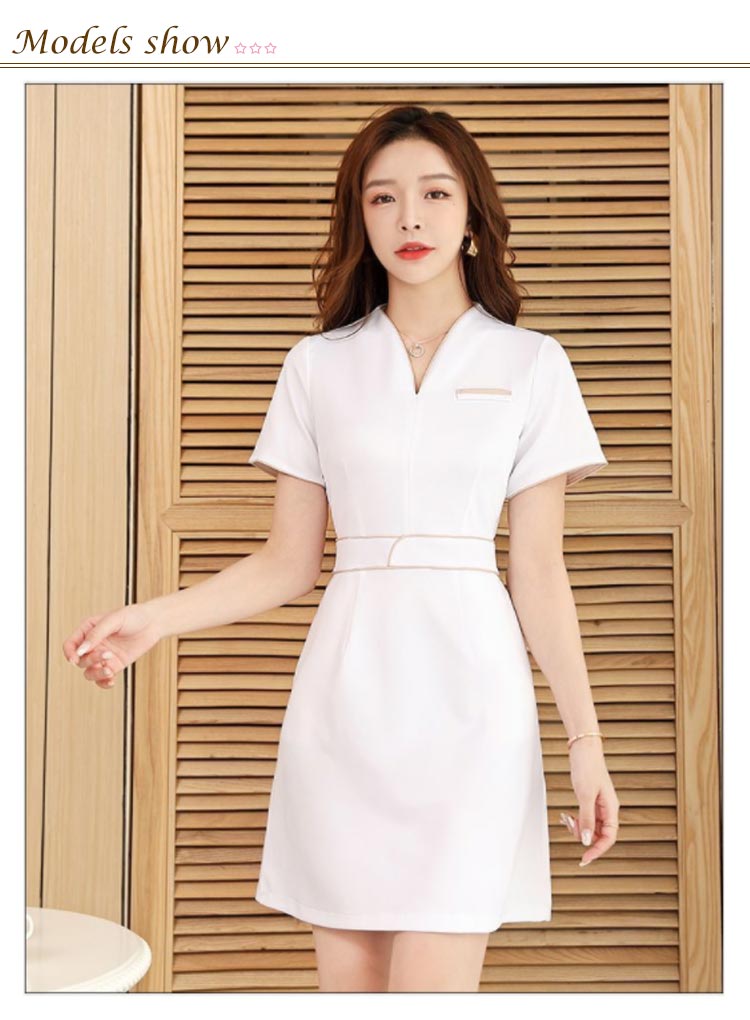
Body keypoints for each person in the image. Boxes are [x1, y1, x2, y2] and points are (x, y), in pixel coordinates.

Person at [63, 104, 620, 993]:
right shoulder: (317, 366)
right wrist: (153, 620)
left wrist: (585, 741)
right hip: (347, 698)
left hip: (474, 707)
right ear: (360, 218)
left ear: (472, 216)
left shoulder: (531, 364)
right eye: (383, 197)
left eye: (436, 194)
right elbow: (287, 562)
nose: (410, 217)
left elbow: (539, 571)